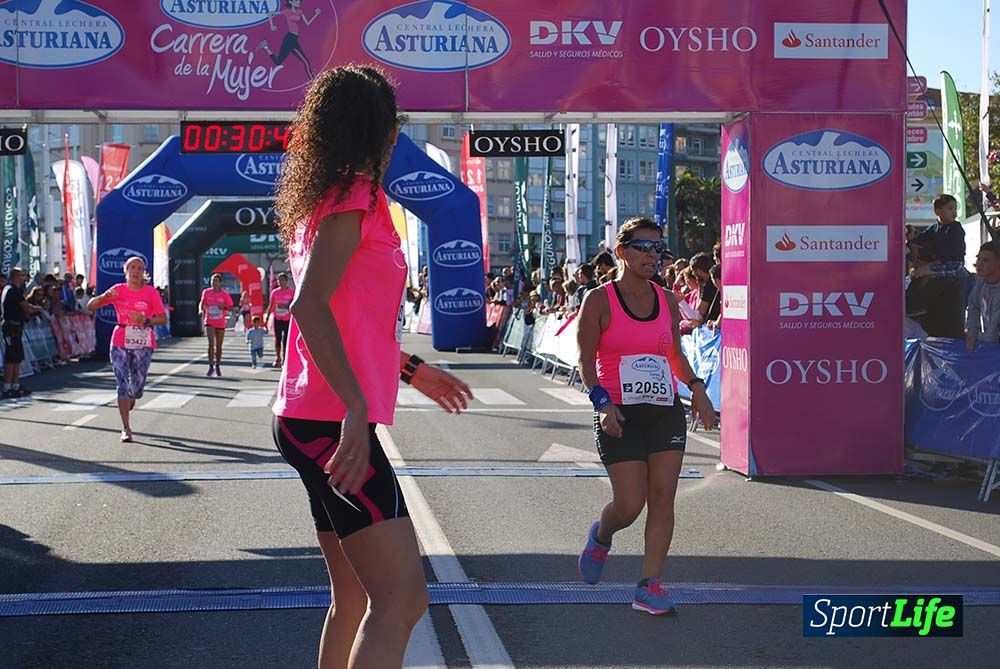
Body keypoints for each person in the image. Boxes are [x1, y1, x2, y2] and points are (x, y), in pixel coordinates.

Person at [270, 64, 474, 668]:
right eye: (392, 123)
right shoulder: (355, 194)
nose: (395, 136)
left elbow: (347, 319)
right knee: (403, 601)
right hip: (329, 420)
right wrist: (357, 408)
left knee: (357, 595)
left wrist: (413, 371)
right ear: (376, 129)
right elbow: (308, 307)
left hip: (309, 416)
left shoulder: (325, 199)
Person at [576, 217, 715, 616]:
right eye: (643, 247)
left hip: (663, 411)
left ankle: (648, 585)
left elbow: (673, 353)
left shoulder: (667, 299)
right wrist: (602, 403)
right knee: (630, 504)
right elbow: (586, 361)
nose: (653, 255)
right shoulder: (599, 300)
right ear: (622, 251)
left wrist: (697, 388)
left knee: (662, 500)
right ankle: (602, 535)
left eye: (658, 248)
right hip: (619, 411)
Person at [87, 257, 168, 442]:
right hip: (120, 339)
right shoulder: (117, 290)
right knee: (122, 384)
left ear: (143, 272)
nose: (136, 271)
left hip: (143, 341)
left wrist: (146, 321)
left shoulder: (150, 292)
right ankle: (126, 428)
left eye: (139, 268)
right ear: (126, 270)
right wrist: (102, 298)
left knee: (136, 389)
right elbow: (90, 306)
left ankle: (133, 395)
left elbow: (163, 319)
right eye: (132, 267)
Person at [908, 194, 967, 339]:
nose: (954, 212)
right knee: (917, 276)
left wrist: (934, 264)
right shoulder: (934, 228)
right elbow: (916, 240)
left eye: (955, 208)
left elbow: (954, 255)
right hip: (937, 270)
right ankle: (913, 306)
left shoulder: (955, 228)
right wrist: (913, 245)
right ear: (938, 211)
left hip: (952, 268)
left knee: (921, 274)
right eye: (950, 208)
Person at [2, 268, 46, 399]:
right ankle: (7, 387)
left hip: (16, 327)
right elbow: (27, 307)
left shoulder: (13, 289)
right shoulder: (13, 290)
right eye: (22, 276)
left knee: (16, 357)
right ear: (16, 276)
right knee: (11, 358)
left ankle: (15, 385)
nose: (25, 278)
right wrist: (38, 308)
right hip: (11, 327)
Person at [258, 0, 322, 78]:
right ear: (291, 2)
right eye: (296, 1)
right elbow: (270, 13)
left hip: (294, 39)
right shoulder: (287, 12)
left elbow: (308, 23)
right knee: (306, 62)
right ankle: (313, 81)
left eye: (299, 1)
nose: (298, 2)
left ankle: (265, 47)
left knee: (279, 61)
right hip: (289, 39)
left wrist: (316, 14)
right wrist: (272, 26)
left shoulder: (300, 11)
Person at [966, 241, 1000, 351]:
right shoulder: (981, 282)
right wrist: (972, 332)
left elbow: (992, 337)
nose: (979, 264)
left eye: (985, 260)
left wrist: (975, 337)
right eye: (978, 258)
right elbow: (973, 304)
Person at [199, 274, 233, 376]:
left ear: (220, 283)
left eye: (216, 281)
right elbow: (201, 303)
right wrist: (201, 310)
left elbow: (231, 307)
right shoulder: (207, 292)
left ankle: (217, 365)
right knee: (211, 344)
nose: (214, 283)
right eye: (213, 280)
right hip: (209, 321)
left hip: (220, 322)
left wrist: (224, 307)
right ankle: (210, 366)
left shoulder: (224, 294)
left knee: (219, 346)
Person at [266, 272, 295, 367]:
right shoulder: (275, 292)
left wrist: (286, 306)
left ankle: (285, 359)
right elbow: (271, 305)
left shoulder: (292, 292)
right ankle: (278, 358)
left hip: (288, 319)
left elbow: (295, 306)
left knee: (286, 340)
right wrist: (266, 318)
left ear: (286, 281)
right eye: (279, 280)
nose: (281, 282)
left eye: (283, 280)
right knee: (277, 339)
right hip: (277, 318)